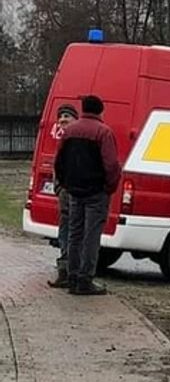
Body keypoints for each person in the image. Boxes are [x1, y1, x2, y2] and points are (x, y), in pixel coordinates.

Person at [53, 95, 120, 296]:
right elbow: (111, 165)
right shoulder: (104, 132)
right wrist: (110, 186)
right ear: (100, 111)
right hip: (96, 192)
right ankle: (85, 279)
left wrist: (65, 184)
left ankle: (71, 277)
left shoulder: (69, 132)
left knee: (74, 234)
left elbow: (59, 161)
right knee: (91, 236)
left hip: (74, 191)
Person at [48, 104, 79, 288]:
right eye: (60, 117)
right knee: (64, 231)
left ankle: (74, 273)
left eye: (67, 116)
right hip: (65, 194)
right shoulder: (62, 140)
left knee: (75, 233)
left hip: (77, 194)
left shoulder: (79, 138)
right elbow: (57, 166)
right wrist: (58, 188)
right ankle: (64, 271)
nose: (62, 120)